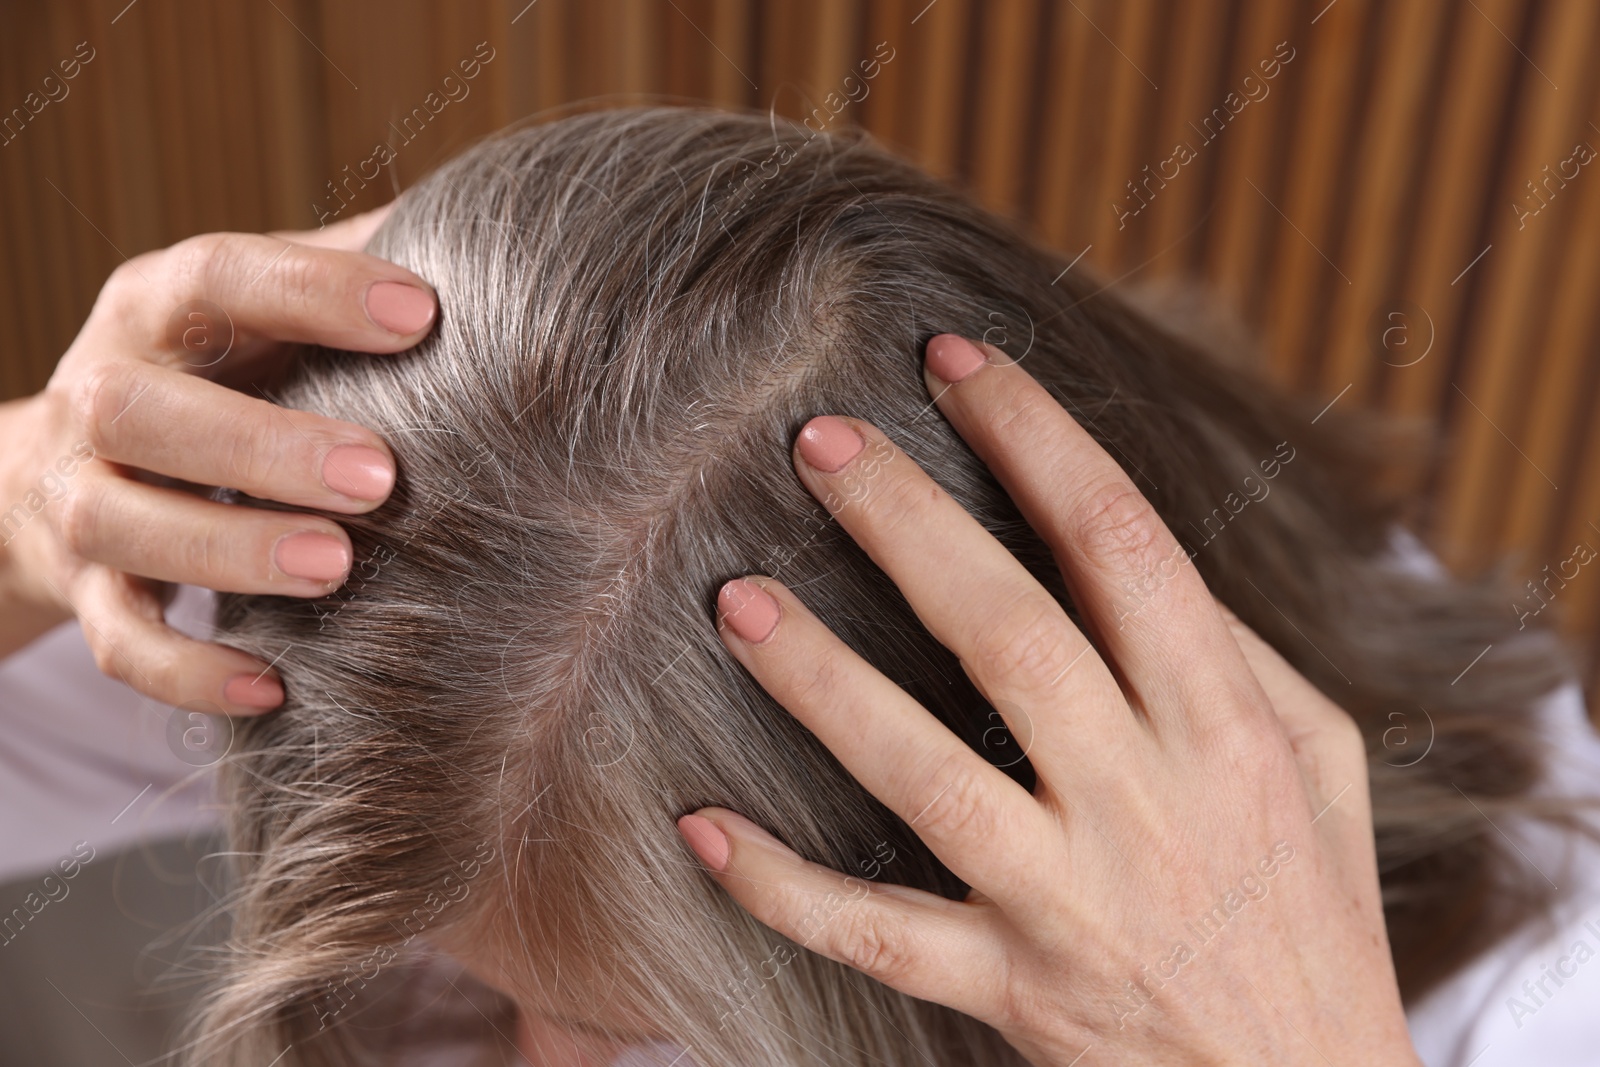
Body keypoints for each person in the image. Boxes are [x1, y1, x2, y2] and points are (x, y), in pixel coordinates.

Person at [0, 105, 1595, 1067]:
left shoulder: (1538, 1000)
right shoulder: (446, 646)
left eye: (638, 1026)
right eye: (499, 1001)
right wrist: (20, 514)